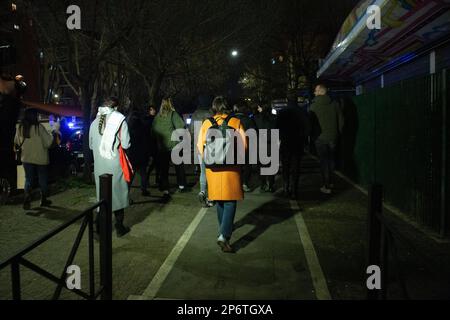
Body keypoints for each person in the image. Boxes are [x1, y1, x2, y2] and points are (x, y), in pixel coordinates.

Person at [197, 96, 247, 253]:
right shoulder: (235, 122)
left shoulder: (207, 123)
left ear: (214, 107)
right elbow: (244, 146)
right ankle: (224, 236)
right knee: (231, 202)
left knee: (219, 200)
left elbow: (200, 147)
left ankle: (222, 231)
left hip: (213, 170)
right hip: (231, 169)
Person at [89, 98, 131, 237]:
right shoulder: (120, 121)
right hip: (115, 165)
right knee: (118, 196)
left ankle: (99, 228)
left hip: (100, 166)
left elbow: (90, 146)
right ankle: (119, 227)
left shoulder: (94, 122)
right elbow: (126, 145)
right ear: (116, 108)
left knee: (102, 197)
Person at [14, 108, 54, 209]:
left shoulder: (20, 128)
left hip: (26, 158)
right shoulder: (39, 128)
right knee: (43, 180)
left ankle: (27, 198)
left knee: (28, 179)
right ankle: (43, 200)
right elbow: (48, 143)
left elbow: (17, 142)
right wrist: (52, 134)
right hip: (40, 158)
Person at [309, 84, 344, 194]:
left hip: (319, 138)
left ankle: (326, 185)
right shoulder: (335, 104)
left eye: (315, 90)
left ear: (319, 91)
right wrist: (338, 133)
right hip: (333, 136)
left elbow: (311, 124)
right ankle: (331, 181)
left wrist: (312, 136)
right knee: (331, 159)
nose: (314, 92)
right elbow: (341, 121)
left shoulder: (313, 106)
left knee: (323, 161)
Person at [152, 98, 187, 202]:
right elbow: (181, 126)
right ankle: (181, 186)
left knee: (164, 169)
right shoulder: (173, 114)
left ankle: (166, 190)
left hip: (162, 147)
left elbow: (152, 132)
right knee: (179, 167)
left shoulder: (157, 117)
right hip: (174, 145)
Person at [277, 90, 308, 199]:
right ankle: (294, 190)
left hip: (286, 142)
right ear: (296, 100)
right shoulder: (302, 111)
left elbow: (277, 127)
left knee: (285, 166)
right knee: (296, 167)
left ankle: (286, 188)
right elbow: (306, 127)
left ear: (287, 100)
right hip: (297, 143)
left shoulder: (282, 112)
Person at [190, 96, 214, 207]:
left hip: (199, 144)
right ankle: (211, 196)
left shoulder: (195, 114)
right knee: (211, 171)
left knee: (202, 171)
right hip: (210, 146)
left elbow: (191, 130)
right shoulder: (211, 115)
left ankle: (202, 191)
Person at [127, 105, 151, 196]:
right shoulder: (143, 125)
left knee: (130, 174)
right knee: (143, 172)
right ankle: (144, 189)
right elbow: (146, 140)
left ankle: (127, 193)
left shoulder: (128, 126)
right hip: (141, 153)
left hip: (132, 153)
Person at [233, 101, 256, 192]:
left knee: (236, 165)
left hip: (234, 146)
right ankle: (245, 183)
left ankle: (236, 183)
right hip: (246, 146)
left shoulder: (231, 119)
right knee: (247, 166)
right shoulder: (249, 120)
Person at [254, 103, 277, 193]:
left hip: (261, 144)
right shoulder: (274, 118)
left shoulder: (257, 118)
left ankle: (263, 184)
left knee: (262, 166)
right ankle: (271, 184)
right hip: (272, 143)